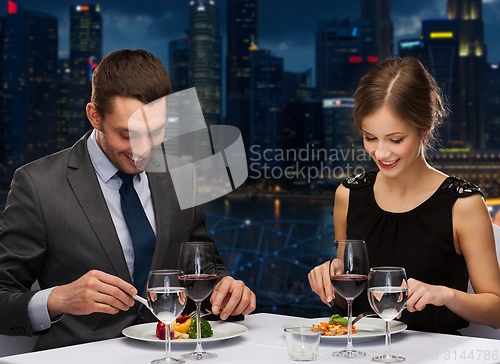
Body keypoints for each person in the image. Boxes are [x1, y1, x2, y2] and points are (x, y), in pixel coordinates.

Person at [0, 49, 256, 350]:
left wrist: (225, 290)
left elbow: (203, 265)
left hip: (175, 353)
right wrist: (58, 299)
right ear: (94, 116)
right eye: (127, 134)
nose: (142, 150)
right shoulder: (38, 185)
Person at [308, 56, 500, 334]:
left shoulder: (462, 204)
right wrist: (329, 276)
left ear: (424, 129)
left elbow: (496, 311)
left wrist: (445, 295)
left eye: (396, 140)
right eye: (370, 138)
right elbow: (348, 299)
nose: (381, 153)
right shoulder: (348, 195)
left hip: (435, 355)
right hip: (357, 353)